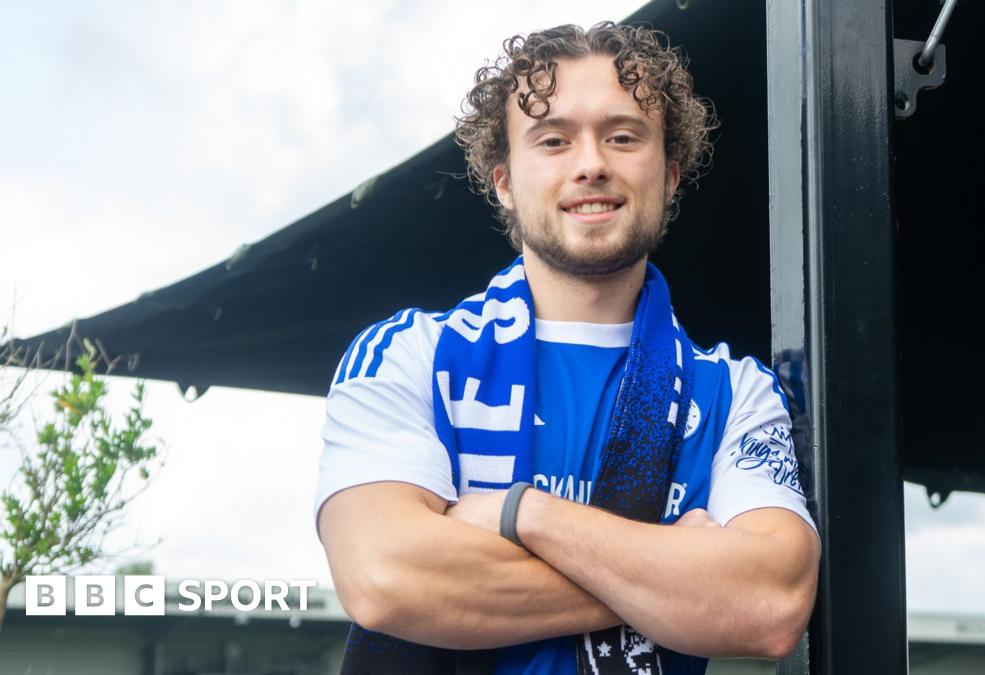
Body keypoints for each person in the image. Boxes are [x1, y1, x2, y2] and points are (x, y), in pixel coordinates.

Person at [315, 21, 821, 675]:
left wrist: (524, 513)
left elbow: (770, 602)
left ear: (669, 175)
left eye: (622, 136)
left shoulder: (735, 393)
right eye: (553, 140)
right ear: (503, 181)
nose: (590, 163)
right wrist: (673, 570)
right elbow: (384, 578)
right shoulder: (406, 355)